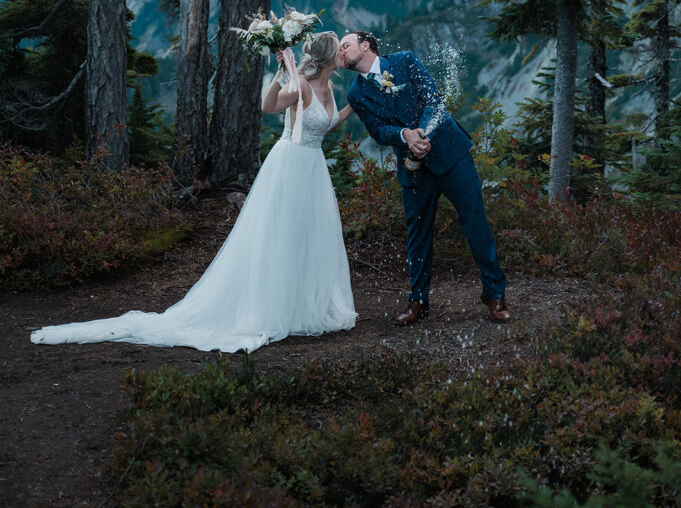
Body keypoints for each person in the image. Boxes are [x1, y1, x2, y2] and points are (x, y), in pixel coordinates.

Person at [31, 32, 356, 353]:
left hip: (313, 167)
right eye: (340, 49)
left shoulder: (328, 86)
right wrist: (283, 74)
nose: (345, 53)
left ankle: (301, 305)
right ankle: (270, 308)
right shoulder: (300, 86)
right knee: (280, 235)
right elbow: (267, 106)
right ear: (329, 58)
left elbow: (326, 125)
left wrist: (354, 106)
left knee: (308, 236)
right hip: (289, 166)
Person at [339, 31, 510, 325]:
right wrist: (405, 136)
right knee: (417, 236)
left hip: (451, 155)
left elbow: (434, 101)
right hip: (413, 169)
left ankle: (495, 294)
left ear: (365, 45)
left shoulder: (405, 61)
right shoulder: (356, 94)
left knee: (475, 223)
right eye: (339, 50)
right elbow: (379, 131)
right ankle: (418, 301)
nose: (341, 52)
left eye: (345, 45)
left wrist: (422, 134)